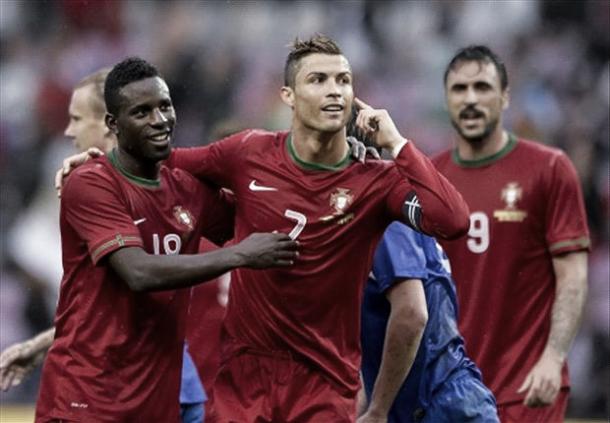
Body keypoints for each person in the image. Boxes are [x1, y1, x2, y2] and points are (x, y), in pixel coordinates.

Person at [56, 35, 470, 421]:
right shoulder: (248, 152)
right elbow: (162, 161)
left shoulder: (375, 180)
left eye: (344, 80)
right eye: (318, 79)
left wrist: (398, 144)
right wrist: (98, 166)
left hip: (324, 383)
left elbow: (452, 220)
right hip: (245, 378)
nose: (334, 90)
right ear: (288, 95)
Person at [34, 57, 299, 423]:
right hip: (87, 401)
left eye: (165, 106)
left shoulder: (187, 189)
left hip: (156, 404)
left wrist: (342, 159)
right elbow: (138, 272)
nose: (159, 120)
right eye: (142, 112)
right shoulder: (91, 183)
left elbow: (265, 216)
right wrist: (240, 255)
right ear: (114, 125)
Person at [0, 68, 207, 423]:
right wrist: (40, 345)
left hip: (127, 390)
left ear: (109, 123)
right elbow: (109, 309)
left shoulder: (127, 192)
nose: (69, 131)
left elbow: (135, 290)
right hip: (168, 382)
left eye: (78, 118)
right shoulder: (128, 186)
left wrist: (238, 255)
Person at [432, 45, 590, 423]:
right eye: (459, 89)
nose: (470, 99)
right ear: (446, 99)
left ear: (505, 97)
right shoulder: (430, 181)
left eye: (482, 88)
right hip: (451, 393)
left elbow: (573, 274)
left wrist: (553, 357)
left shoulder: (549, 169)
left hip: (527, 389)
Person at [358, 221, 498, 422]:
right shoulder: (410, 227)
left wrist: (378, 410)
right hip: (453, 398)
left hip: (436, 406)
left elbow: (412, 313)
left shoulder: (387, 226)